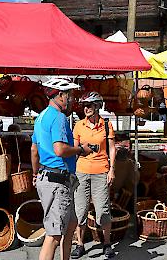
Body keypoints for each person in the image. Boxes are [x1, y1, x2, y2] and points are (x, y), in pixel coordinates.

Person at [31, 77, 82, 260]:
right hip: (57, 180)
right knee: (53, 235)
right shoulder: (59, 117)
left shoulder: (41, 117)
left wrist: (35, 174)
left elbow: (34, 149)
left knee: (70, 224)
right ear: (61, 95)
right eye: (70, 95)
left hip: (49, 178)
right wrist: (80, 149)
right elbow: (59, 149)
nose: (72, 99)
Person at [71, 92, 117, 259]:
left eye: (89, 105)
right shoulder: (78, 125)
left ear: (97, 106)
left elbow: (112, 148)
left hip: (101, 172)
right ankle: (80, 244)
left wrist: (112, 169)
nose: (86, 108)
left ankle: (106, 243)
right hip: (81, 172)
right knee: (80, 210)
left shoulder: (106, 125)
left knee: (103, 210)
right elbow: (74, 150)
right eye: (84, 106)